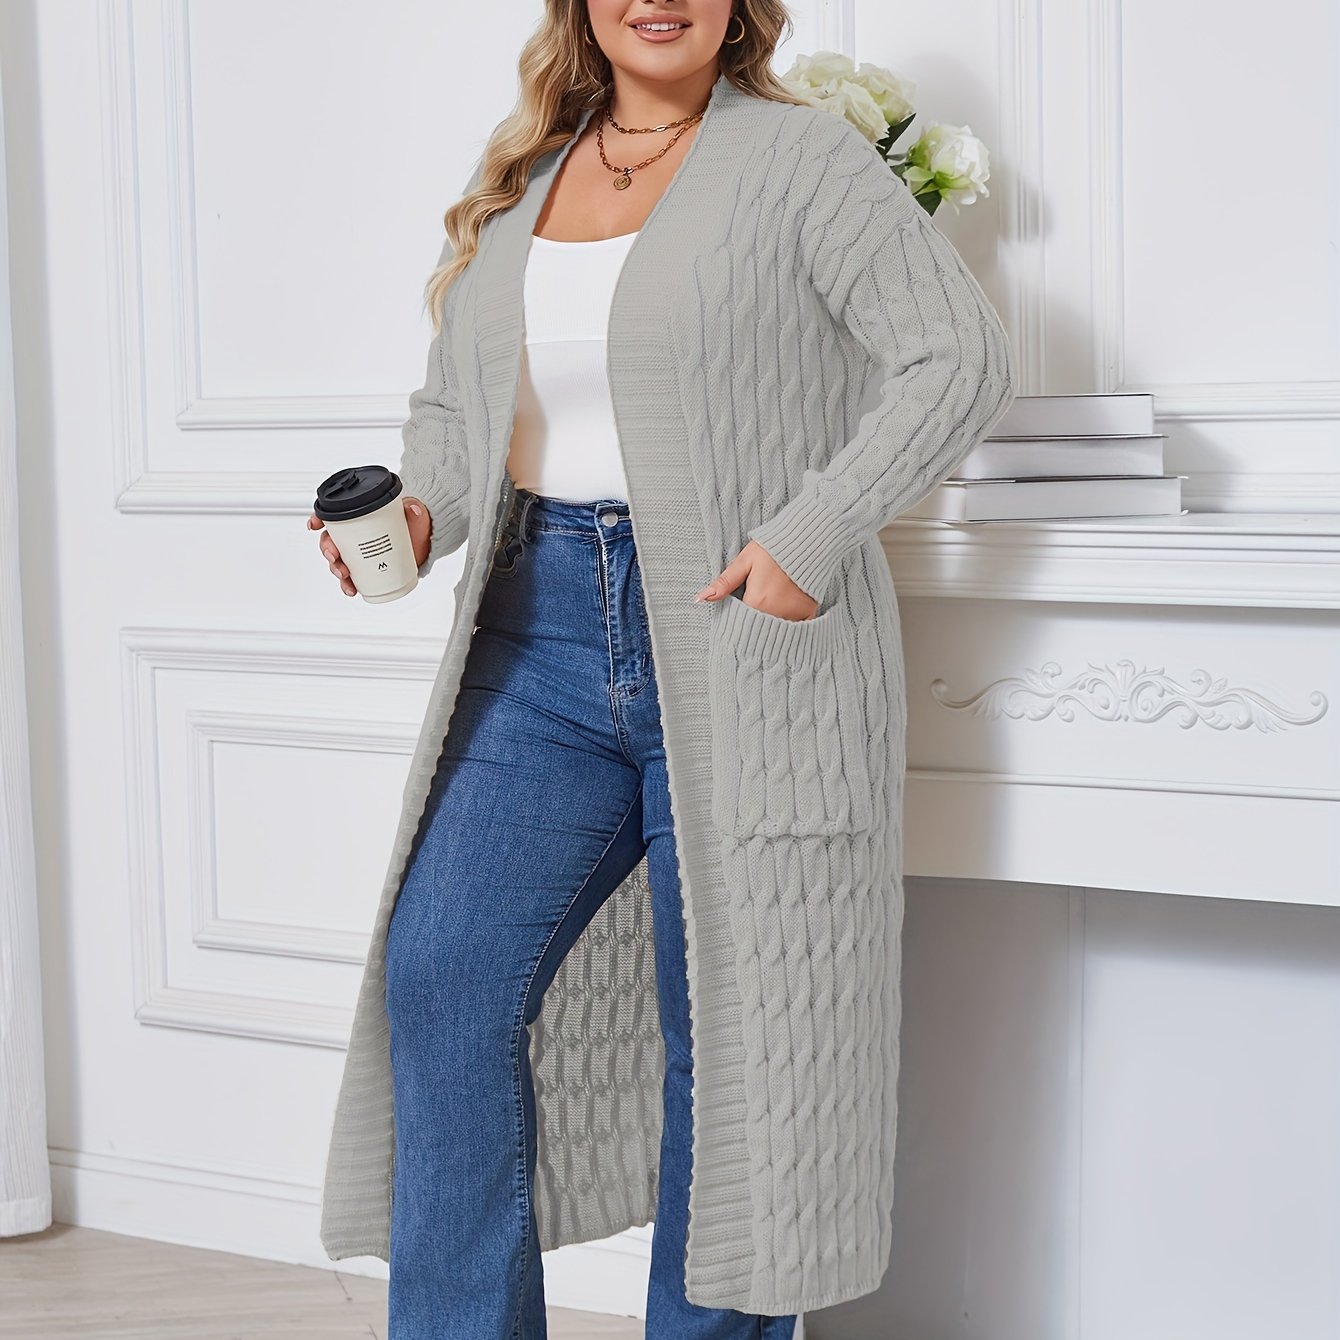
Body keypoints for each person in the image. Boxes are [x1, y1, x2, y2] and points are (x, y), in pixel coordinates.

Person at [308, 3, 1017, 1337]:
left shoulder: (801, 160)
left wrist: (810, 535)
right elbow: (455, 413)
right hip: (534, 631)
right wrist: (419, 513)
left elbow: (959, 356)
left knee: (734, 1035)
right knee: (442, 977)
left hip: (742, 635)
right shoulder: (526, 172)